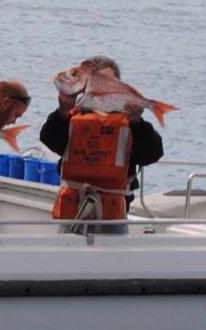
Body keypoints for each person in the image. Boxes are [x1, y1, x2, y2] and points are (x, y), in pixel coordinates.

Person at [40, 54, 164, 231]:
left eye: (109, 83)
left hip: (113, 216)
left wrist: (137, 122)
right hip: (73, 212)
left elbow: (152, 154)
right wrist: (62, 111)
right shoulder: (71, 117)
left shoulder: (130, 124)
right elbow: (50, 139)